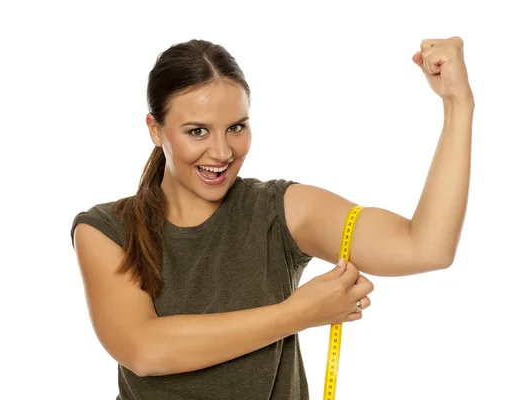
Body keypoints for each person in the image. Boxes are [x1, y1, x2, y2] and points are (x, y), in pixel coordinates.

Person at [70, 38, 473, 399]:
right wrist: (300, 313)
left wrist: (458, 105)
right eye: (197, 131)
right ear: (155, 130)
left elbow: (426, 247)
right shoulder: (106, 229)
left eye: (236, 127)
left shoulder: (279, 210)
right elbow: (146, 350)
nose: (222, 151)